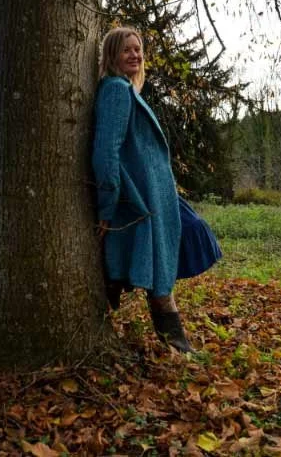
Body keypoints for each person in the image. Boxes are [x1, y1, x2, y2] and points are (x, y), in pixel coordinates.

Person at [91, 26, 194, 353]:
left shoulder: (124, 89)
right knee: (158, 275)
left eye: (138, 49)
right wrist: (107, 206)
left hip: (153, 198)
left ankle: (176, 344)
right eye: (127, 50)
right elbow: (106, 152)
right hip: (138, 201)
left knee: (170, 261)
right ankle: (178, 346)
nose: (135, 55)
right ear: (112, 55)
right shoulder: (116, 91)